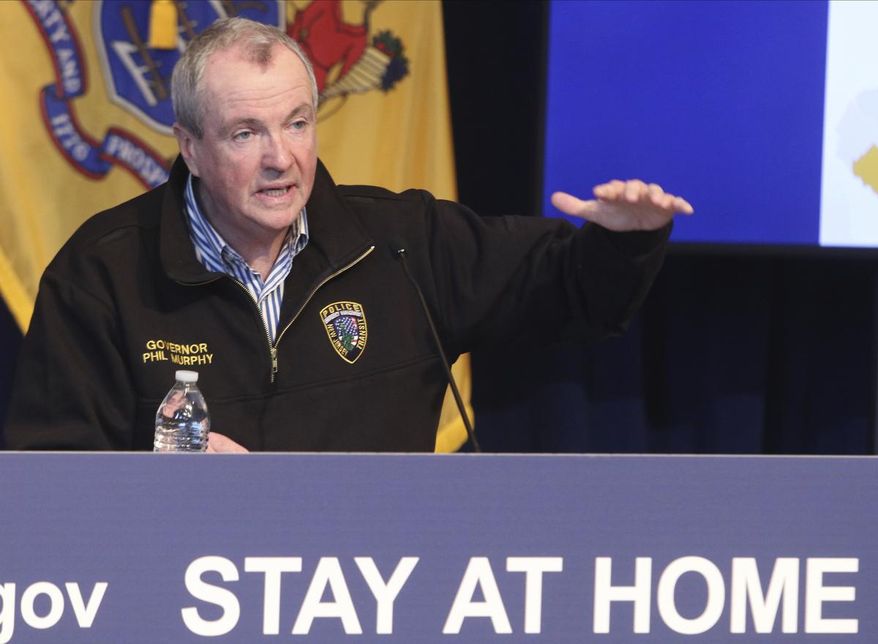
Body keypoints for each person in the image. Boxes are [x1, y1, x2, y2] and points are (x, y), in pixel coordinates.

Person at [3, 18, 692, 453]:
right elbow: (49, 477)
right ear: (190, 145)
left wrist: (625, 241)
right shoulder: (104, 273)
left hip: (371, 595)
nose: (282, 157)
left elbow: (570, 292)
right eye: (247, 133)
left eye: (297, 123)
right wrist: (161, 487)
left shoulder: (401, 241)